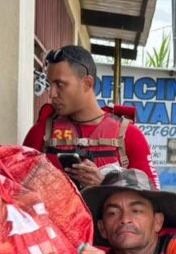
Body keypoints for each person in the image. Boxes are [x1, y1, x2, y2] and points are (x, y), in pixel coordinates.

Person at [23, 45, 159, 189]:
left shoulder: (129, 136)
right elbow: (16, 195)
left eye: (60, 84)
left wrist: (105, 185)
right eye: (50, 85)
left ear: (87, 83)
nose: (52, 94)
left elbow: (151, 200)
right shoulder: (40, 134)